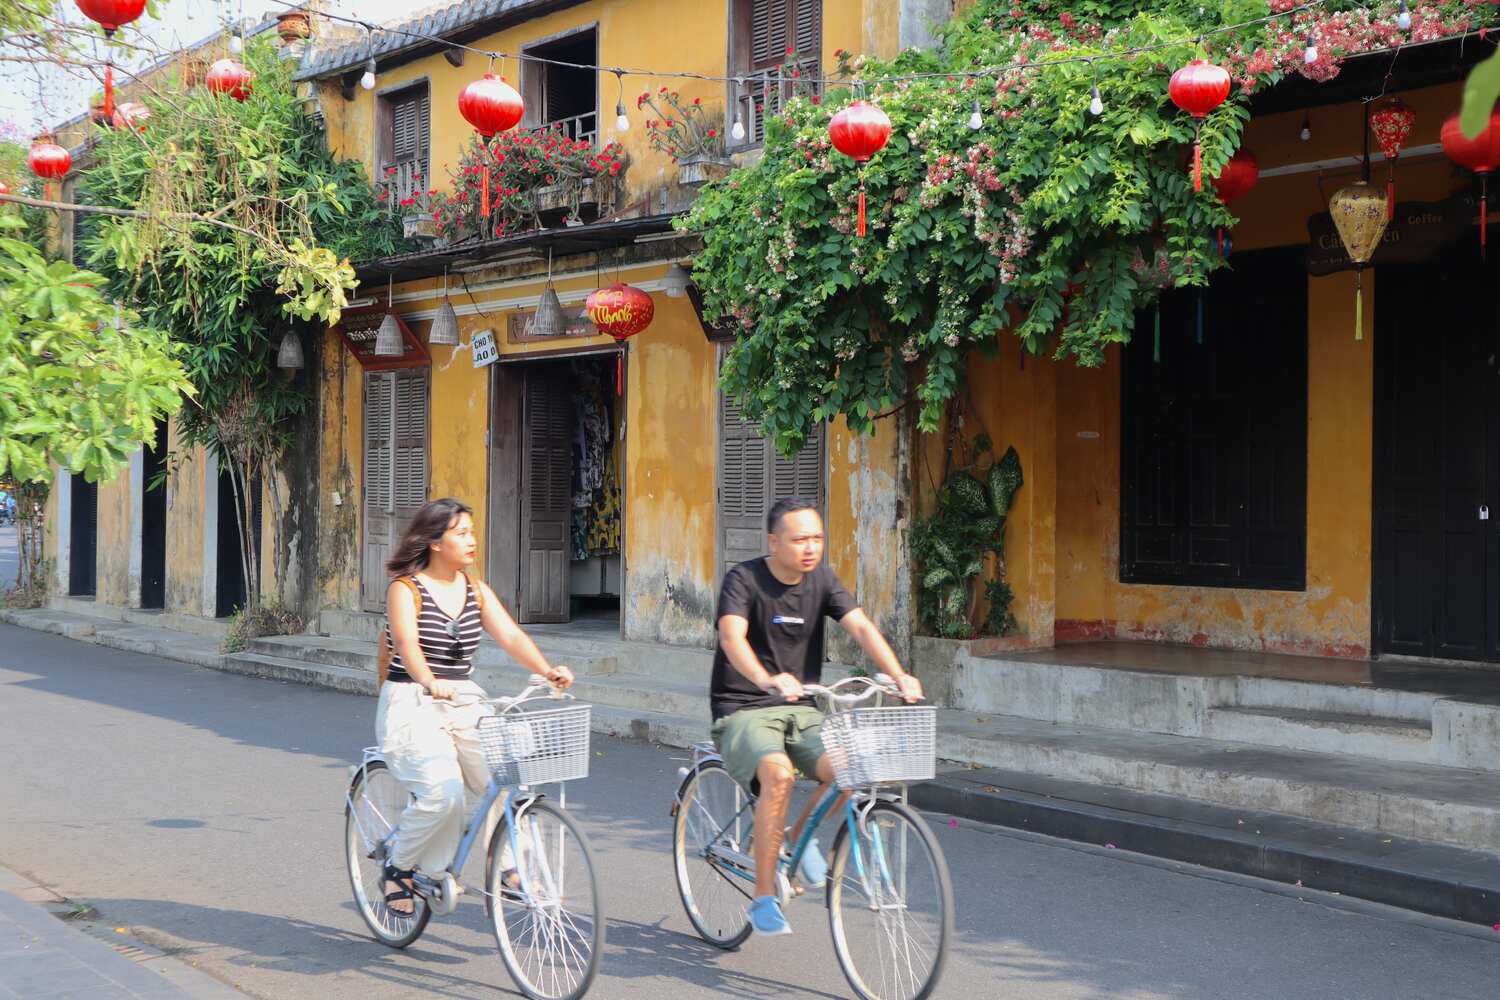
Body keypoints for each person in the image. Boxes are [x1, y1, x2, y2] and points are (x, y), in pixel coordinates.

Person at [711, 496, 923, 936]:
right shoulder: (744, 579)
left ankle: (793, 837)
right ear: (773, 541)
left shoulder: (822, 579)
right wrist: (768, 678)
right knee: (779, 774)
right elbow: (732, 638)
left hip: (801, 707)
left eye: (817, 538)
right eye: (800, 539)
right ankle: (764, 897)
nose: (811, 548)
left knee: (853, 768)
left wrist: (899, 675)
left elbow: (861, 626)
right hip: (744, 709)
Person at [378, 497, 575, 915]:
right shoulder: (405, 590)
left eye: (472, 532)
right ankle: (398, 868)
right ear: (434, 542)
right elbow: (407, 645)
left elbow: (512, 637)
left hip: (464, 699)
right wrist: (430, 681)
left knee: (504, 781)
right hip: (412, 701)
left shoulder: (475, 590)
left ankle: (510, 871)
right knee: (443, 795)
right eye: (462, 533)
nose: (472, 541)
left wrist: (546, 670)